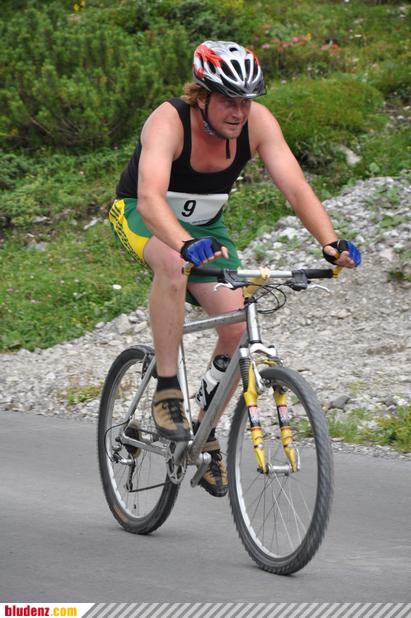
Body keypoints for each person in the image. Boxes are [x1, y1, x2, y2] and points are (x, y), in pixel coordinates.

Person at [109, 40, 361, 498]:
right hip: (144, 215)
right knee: (173, 264)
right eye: (228, 100)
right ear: (202, 95)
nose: (239, 111)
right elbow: (148, 198)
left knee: (237, 328)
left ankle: (204, 433)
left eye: (246, 100)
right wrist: (183, 244)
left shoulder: (257, 123)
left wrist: (329, 242)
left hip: (207, 226)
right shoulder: (169, 120)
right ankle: (167, 389)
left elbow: (295, 187)